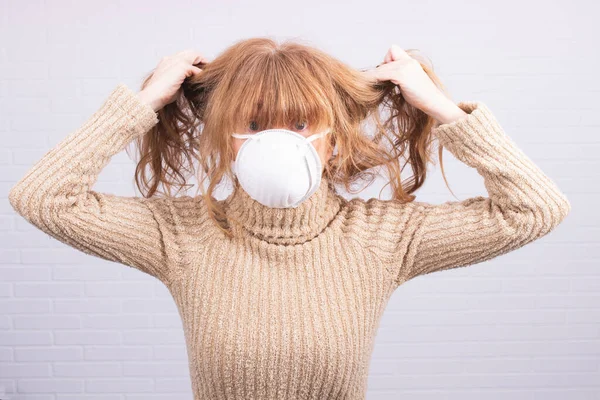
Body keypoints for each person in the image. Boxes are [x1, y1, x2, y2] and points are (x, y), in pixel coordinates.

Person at [8, 37, 570, 399]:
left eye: (301, 124)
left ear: (333, 138)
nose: (276, 141)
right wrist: (144, 101)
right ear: (223, 138)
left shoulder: (383, 237)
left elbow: (534, 210)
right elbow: (43, 198)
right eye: (252, 123)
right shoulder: (180, 235)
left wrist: (441, 108)